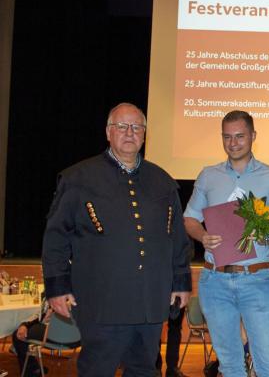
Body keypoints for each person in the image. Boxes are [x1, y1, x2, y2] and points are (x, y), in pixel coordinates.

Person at [41, 103, 192, 376]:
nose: (129, 133)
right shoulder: (78, 178)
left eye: (136, 127)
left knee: (145, 370)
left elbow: (177, 239)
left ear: (144, 135)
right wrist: (57, 287)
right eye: (122, 126)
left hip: (150, 302)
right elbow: (56, 238)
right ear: (108, 132)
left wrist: (181, 281)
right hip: (101, 302)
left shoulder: (163, 181)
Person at [183, 110, 269, 377]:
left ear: (253, 136)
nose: (233, 143)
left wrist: (268, 236)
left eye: (239, 136)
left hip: (256, 281)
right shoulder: (208, 176)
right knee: (231, 366)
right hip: (215, 281)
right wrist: (202, 236)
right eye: (227, 137)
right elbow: (189, 219)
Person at [12, 298, 55, 376]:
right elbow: (40, 316)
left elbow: (41, 317)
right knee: (21, 333)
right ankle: (34, 368)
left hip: (52, 332)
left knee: (18, 335)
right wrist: (25, 325)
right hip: (74, 337)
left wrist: (25, 325)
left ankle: (31, 371)